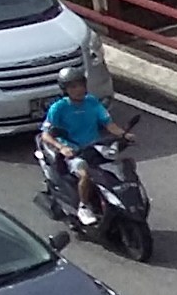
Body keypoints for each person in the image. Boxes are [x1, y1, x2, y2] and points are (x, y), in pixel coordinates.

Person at [36, 68, 117, 226]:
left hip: (94, 148)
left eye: (80, 85)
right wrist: (61, 147)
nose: (78, 90)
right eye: (73, 87)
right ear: (65, 90)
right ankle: (84, 207)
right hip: (73, 152)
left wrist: (124, 135)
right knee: (84, 174)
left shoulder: (92, 102)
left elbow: (109, 124)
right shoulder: (58, 108)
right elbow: (46, 134)